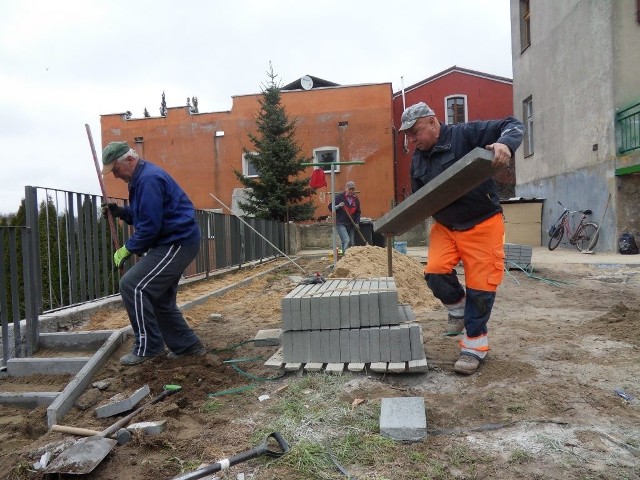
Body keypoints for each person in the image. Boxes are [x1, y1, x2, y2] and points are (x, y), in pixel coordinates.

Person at [399, 102, 524, 375]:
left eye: (415, 133)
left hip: (481, 223)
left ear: (432, 122)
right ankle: (458, 308)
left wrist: (505, 144)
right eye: (407, 136)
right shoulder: (418, 160)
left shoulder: (465, 134)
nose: (412, 141)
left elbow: (512, 124)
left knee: (481, 290)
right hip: (445, 226)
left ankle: (474, 347)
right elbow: (421, 198)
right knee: (434, 272)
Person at [100, 141, 206, 366]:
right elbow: (144, 215)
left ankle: (148, 347)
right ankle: (188, 346)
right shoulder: (140, 179)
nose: (116, 176)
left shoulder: (148, 180)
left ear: (129, 160)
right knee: (159, 299)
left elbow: (149, 227)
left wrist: (128, 248)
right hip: (174, 241)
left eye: (116, 170)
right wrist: (120, 212)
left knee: (133, 285)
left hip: (176, 242)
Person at [328, 180, 361, 253]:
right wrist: (338, 206)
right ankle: (346, 260)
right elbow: (330, 207)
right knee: (346, 240)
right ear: (346, 188)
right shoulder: (339, 197)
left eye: (353, 189)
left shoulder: (355, 199)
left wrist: (357, 223)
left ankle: (348, 258)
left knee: (351, 243)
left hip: (351, 224)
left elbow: (358, 212)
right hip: (341, 223)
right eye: (350, 189)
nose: (351, 191)